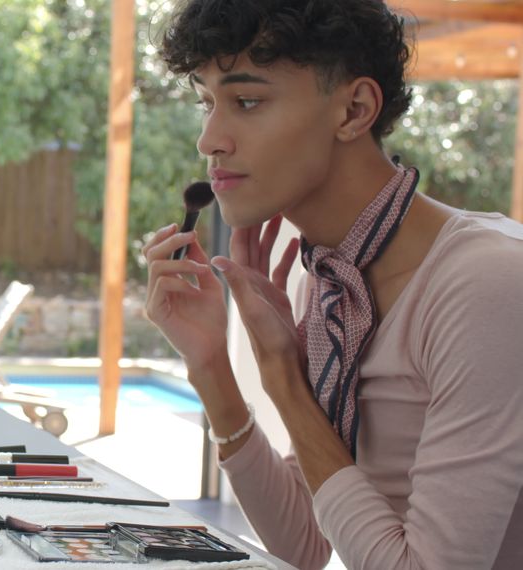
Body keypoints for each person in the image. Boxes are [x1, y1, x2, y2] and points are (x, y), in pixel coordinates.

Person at [141, 1, 523, 568]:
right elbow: (306, 543)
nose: (210, 140)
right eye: (207, 102)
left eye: (247, 101)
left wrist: (283, 379)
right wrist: (211, 366)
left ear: (354, 109)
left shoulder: (487, 284)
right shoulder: (331, 279)